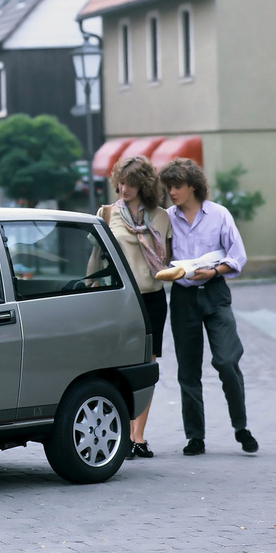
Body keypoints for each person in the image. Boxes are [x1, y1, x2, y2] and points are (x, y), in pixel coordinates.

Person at [159, 157, 258, 456]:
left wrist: (214, 271)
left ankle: (241, 427)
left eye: (177, 186)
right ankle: (195, 436)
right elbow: (160, 258)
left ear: (193, 186)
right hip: (183, 297)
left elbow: (237, 256)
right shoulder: (167, 218)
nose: (172, 192)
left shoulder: (219, 215)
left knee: (227, 361)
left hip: (215, 292)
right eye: (169, 187)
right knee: (188, 370)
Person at [92, 156, 172, 459]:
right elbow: (97, 257)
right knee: (119, 364)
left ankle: (138, 436)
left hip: (152, 299)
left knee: (146, 367)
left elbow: (167, 261)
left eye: (131, 183)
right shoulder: (108, 212)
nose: (124, 188)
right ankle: (123, 433)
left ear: (144, 185)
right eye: (121, 182)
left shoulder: (162, 216)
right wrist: (90, 288)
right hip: (120, 301)